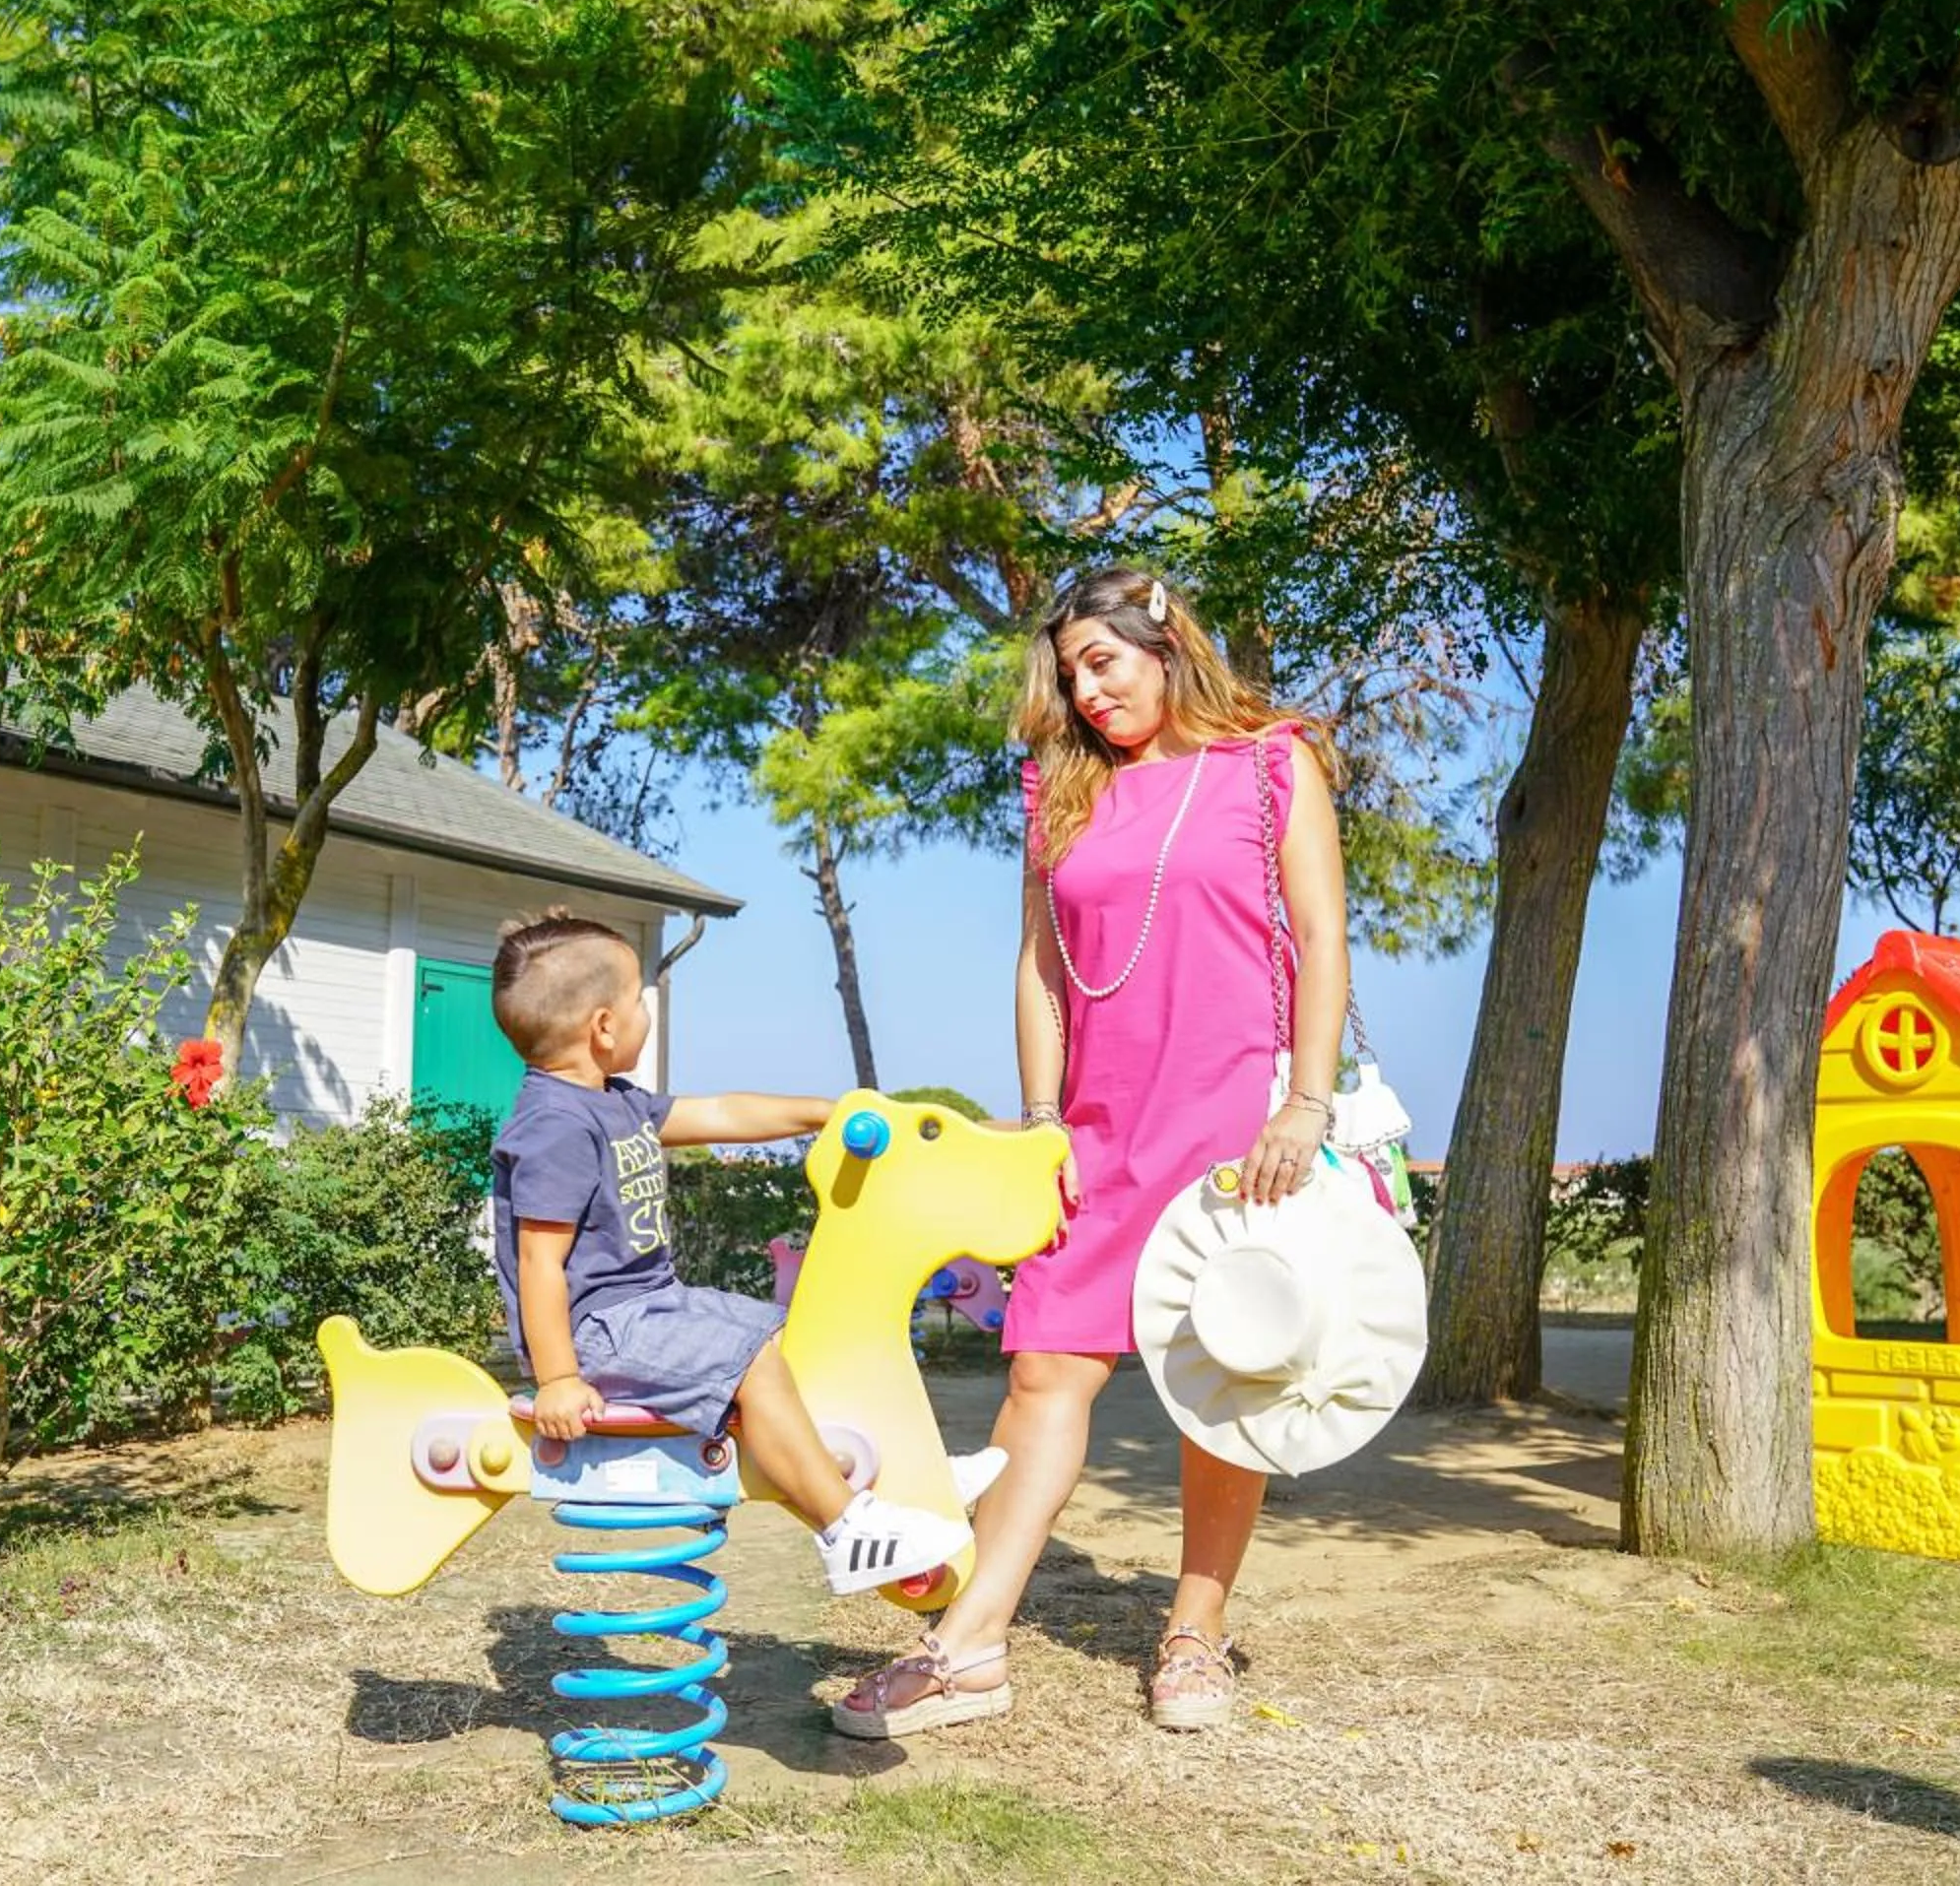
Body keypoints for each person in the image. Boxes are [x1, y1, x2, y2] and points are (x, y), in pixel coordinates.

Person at [833, 566, 1352, 1735]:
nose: (1087, 692)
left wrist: (1305, 1104)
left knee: (1223, 1382)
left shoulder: (1275, 762)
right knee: (1044, 1369)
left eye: (1103, 663)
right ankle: (969, 1645)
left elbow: (1322, 936)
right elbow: (1041, 965)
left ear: (1166, 643)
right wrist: (1041, 1116)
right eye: (1070, 676)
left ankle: (1196, 1634)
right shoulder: (1057, 788)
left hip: (1237, 1125)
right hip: (1097, 1126)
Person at [489, 914, 998, 1594]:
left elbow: (724, 1113)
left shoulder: (614, 1103)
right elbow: (538, 1263)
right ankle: (849, 1532)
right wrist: (557, 1377)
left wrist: (828, 1112)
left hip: (650, 1307)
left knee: (776, 1334)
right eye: (642, 999)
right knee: (749, 1357)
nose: (647, 1013)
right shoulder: (554, 1125)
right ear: (605, 1027)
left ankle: (909, 1472)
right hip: (599, 1334)